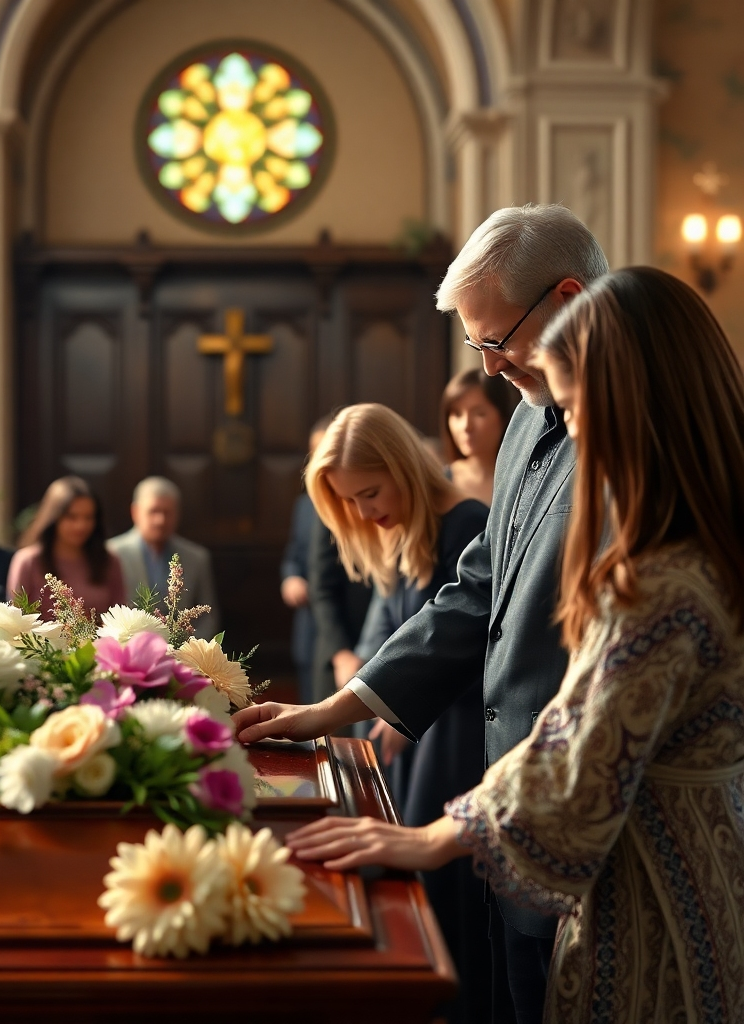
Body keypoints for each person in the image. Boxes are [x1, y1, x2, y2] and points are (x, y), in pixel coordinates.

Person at [281, 267, 744, 1023]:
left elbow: (584, 743)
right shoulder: (698, 534)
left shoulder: (665, 580)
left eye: (579, 405)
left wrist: (434, 837)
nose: (574, 431)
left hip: (659, 888)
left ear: (637, 399)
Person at [234, 204, 610, 1024]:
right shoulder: (525, 426)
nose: (490, 365)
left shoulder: (634, 439)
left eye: (495, 339)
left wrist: (439, 836)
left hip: (593, 815)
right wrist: (339, 706)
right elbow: (478, 592)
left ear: (569, 299)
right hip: (510, 811)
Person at [308, 403, 491, 1024]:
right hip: (418, 736)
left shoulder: (466, 523)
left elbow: (455, 646)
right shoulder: (406, 528)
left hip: (460, 737)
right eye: (347, 501)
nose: (362, 513)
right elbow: (389, 633)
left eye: (369, 492)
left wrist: (389, 703)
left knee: (455, 900)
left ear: (404, 468)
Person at [108, 477, 220, 640]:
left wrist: (190, 651)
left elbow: (208, 615)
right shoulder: (112, 553)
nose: (160, 520)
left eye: (167, 512)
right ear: (136, 512)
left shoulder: (197, 557)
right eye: (153, 511)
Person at [10, 476, 124, 617]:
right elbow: (15, 620)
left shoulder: (109, 561)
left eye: (88, 517)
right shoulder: (28, 561)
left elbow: (119, 618)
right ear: (54, 517)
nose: (81, 525)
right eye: (72, 517)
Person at [279, 417, 332, 704]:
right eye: (315, 451)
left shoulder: (356, 502)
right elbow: (294, 555)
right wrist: (290, 578)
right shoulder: (305, 505)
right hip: (309, 627)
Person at [441, 368, 518, 505]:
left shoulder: (521, 481)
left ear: (503, 417)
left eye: (479, 413)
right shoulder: (441, 483)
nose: (466, 426)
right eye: (457, 414)